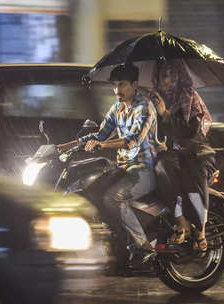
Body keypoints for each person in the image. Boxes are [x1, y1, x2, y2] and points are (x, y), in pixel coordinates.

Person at [57, 64, 158, 262]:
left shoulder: (144, 106)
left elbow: (133, 139)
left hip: (143, 168)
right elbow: (100, 134)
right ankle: (115, 241)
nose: (117, 90)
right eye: (114, 85)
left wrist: (101, 145)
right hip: (123, 167)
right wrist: (67, 145)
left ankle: (145, 247)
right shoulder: (117, 107)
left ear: (135, 85)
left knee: (114, 197)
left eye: (122, 85)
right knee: (88, 187)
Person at [150, 59, 217, 251]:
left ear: (180, 76)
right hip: (173, 155)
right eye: (164, 75)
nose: (169, 80)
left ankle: (199, 228)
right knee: (159, 169)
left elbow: (189, 132)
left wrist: (165, 114)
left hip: (197, 152)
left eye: (173, 75)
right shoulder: (156, 99)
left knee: (191, 175)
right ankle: (179, 220)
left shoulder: (189, 97)